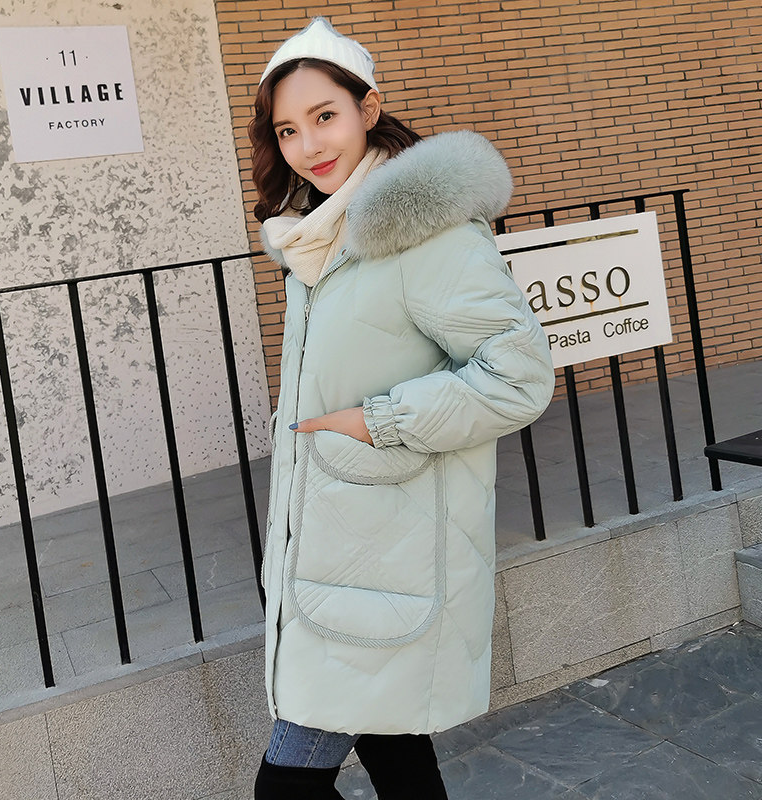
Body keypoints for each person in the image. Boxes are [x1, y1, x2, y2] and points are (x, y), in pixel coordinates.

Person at [249, 17, 555, 799]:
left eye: (325, 115)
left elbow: (518, 376)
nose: (309, 145)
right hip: (341, 558)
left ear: (368, 108)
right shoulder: (321, 237)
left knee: (285, 786)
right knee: (396, 756)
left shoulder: (425, 235)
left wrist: (380, 420)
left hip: (385, 561)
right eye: (288, 129)